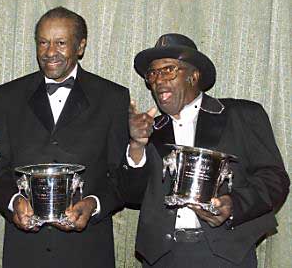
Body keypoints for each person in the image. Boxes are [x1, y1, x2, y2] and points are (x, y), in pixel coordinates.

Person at [121, 33, 290, 267]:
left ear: (194, 76)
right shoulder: (148, 131)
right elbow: (132, 195)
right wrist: (136, 146)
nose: (158, 80)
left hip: (226, 255)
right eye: (153, 73)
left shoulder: (242, 115)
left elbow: (275, 180)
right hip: (164, 257)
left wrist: (233, 204)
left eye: (168, 70)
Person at [0, 6, 129, 268]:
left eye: (61, 43)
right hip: (24, 253)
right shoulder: (7, 96)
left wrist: (93, 205)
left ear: (80, 46)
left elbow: (120, 176)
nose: (50, 52)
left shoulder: (112, 98)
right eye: (43, 42)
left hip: (87, 252)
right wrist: (13, 201)